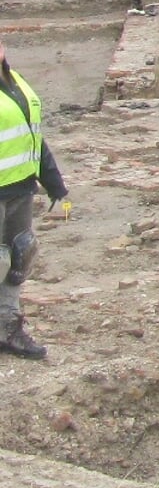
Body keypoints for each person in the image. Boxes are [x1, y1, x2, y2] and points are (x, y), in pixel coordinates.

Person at [0, 39, 69, 360]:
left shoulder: (17, 83)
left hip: (20, 188)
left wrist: (53, 183)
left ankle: (8, 328)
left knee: (18, 257)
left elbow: (33, 137)